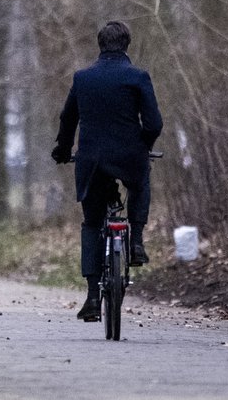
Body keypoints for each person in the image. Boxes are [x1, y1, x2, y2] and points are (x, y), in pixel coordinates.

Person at [51, 20, 163, 322]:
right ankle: (137, 241)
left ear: (100, 44)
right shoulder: (138, 77)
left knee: (92, 223)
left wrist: (62, 150)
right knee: (139, 184)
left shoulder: (83, 78)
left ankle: (91, 297)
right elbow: (154, 124)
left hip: (92, 161)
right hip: (130, 156)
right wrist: (143, 145)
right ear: (127, 44)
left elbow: (68, 119)